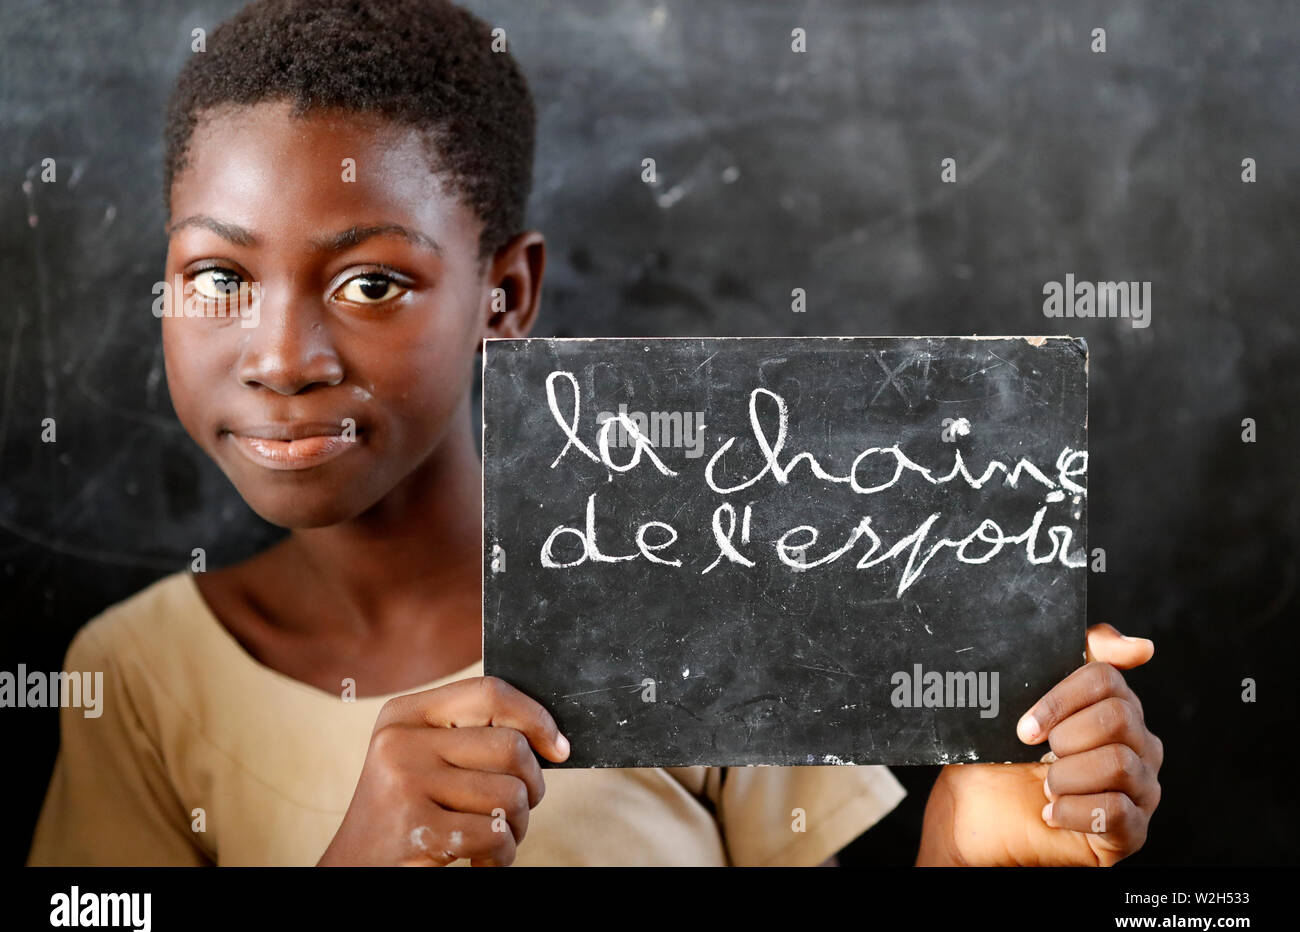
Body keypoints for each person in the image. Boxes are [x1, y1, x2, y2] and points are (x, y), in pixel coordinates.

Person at [28, 0, 1160, 867]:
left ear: (505, 297)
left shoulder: (688, 590)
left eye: (372, 283)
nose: (282, 356)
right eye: (218, 274)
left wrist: (965, 849)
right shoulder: (132, 676)